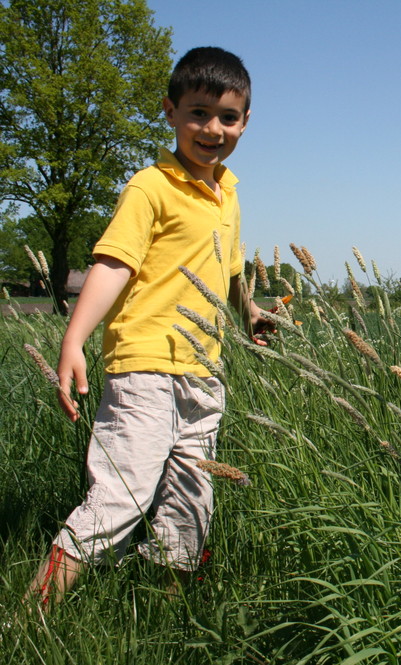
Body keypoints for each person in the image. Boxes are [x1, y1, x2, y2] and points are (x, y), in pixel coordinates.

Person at [25, 46, 265, 608]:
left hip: (205, 374)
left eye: (228, 117)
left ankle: (163, 612)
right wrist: (74, 338)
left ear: (245, 122)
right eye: (198, 113)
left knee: (191, 500)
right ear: (170, 112)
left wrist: (248, 312)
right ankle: (29, 616)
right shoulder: (150, 187)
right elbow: (113, 264)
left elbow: (229, 268)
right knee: (124, 495)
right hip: (144, 369)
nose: (212, 129)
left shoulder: (228, 193)